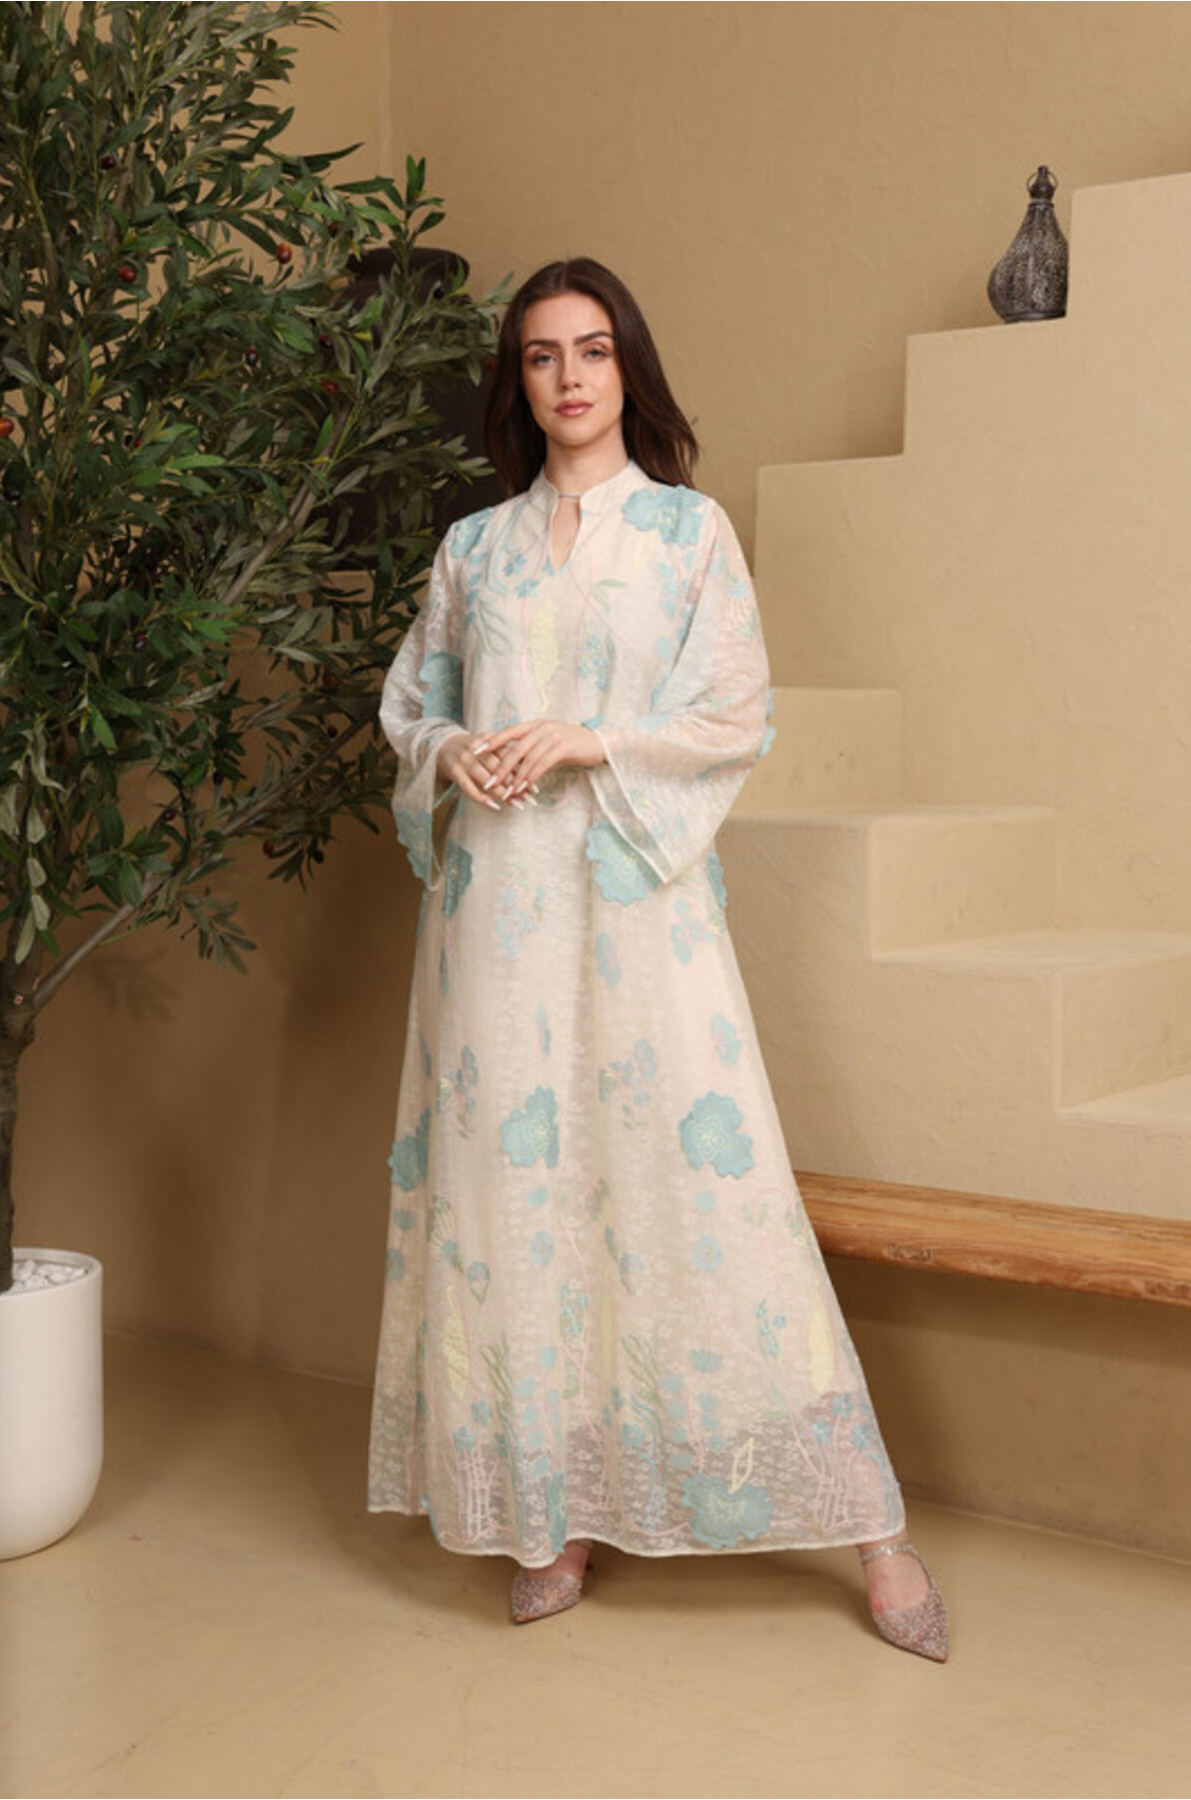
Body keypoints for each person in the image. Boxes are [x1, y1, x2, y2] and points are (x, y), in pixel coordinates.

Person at [368, 257, 948, 1662]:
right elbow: (410, 708)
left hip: (638, 902)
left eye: (592, 350)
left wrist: (592, 739)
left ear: (628, 365)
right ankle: (553, 1512)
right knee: (519, 1201)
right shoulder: (475, 550)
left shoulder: (688, 535)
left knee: (707, 1192)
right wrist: (456, 752)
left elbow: (735, 713)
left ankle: (873, 1528)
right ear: (518, 383)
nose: (569, 377)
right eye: (541, 356)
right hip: (498, 917)